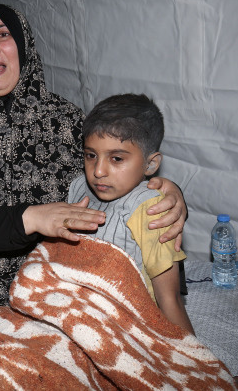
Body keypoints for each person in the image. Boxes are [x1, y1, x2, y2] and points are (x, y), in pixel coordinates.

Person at [0, 4, 188, 316]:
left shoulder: (65, 119)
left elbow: (108, 182)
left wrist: (165, 192)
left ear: (24, 45)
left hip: (58, 299)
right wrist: (30, 218)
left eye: (3, 35)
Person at [67, 93, 194, 333]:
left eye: (116, 158)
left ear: (150, 164)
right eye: (90, 155)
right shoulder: (78, 188)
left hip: (129, 328)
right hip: (78, 314)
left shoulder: (152, 210)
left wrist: (193, 356)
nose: (98, 171)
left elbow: (170, 299)